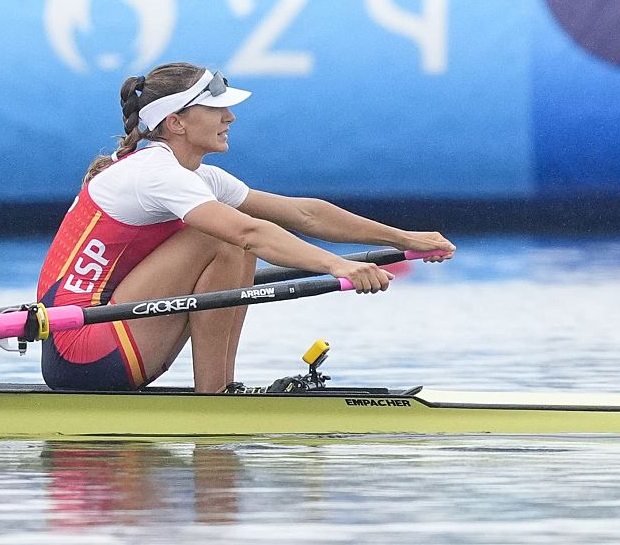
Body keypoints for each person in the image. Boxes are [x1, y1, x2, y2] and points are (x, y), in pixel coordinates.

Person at [35, 62, 454, 393]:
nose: (230, 117)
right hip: (80, 349)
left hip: (114, 334)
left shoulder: (200, 177)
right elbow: (248, 233)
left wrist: (403, 239)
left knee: (232, 234)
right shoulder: (154, 172)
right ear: (176, 122)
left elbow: (304, 214)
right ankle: (216, 398)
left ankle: (217, 394)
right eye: (216, 108)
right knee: (224, 237)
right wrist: (337, 266)